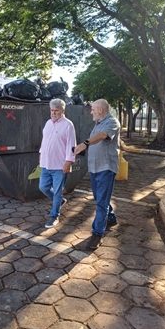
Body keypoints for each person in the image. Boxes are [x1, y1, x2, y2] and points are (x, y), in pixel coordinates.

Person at [74, 99, 120, 250]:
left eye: (93, 109)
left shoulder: (112, 122)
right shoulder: (97, 124)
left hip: (106, 168)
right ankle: (111, 218)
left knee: (101, 201)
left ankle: (97, 234)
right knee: (100, 198)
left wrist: (85, 143)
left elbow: (102, 136)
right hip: (94, 168)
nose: (91, 112)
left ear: (101, 110)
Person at [39, 98, 76, 228]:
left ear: (63, 111)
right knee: (43, 187)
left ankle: (54, 216)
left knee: (57, 192)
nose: (53, 113)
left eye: (56, 110)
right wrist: (41, 155)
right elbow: (45, 141)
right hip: (46, 163)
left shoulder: (68, 125)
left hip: (60, 166)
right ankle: (58, 202)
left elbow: (71, 145)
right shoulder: (48, 123)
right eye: (52, 110)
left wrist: (68, 162)